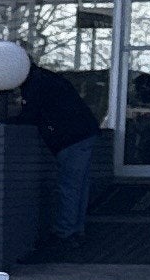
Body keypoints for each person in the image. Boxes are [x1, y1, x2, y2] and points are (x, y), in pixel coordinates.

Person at [14, 55, 104, 245]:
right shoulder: (45, 78)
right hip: (83, 133)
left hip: (71, 138)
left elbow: (29, 116)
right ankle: (75, 229)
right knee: (79, 186)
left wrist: (0, 121)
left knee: (69, 186)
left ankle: (65, 232)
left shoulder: (36, 84)